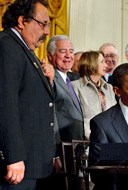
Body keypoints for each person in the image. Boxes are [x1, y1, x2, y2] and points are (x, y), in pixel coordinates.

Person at [0, 0, 59, 189]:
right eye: (43, 24)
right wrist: (14, 156)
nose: (47, 32)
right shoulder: (7, 47)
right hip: (16, 165)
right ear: (21, 21)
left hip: (32, 160)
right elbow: (5, 105)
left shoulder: (23, 49)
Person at [72, 51, 117, 139]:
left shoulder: (109, 88)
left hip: (110, 139)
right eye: (102, 62)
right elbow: (76, 118)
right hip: (88, 140)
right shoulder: (75, 86)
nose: (106, 65)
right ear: (91, 64)